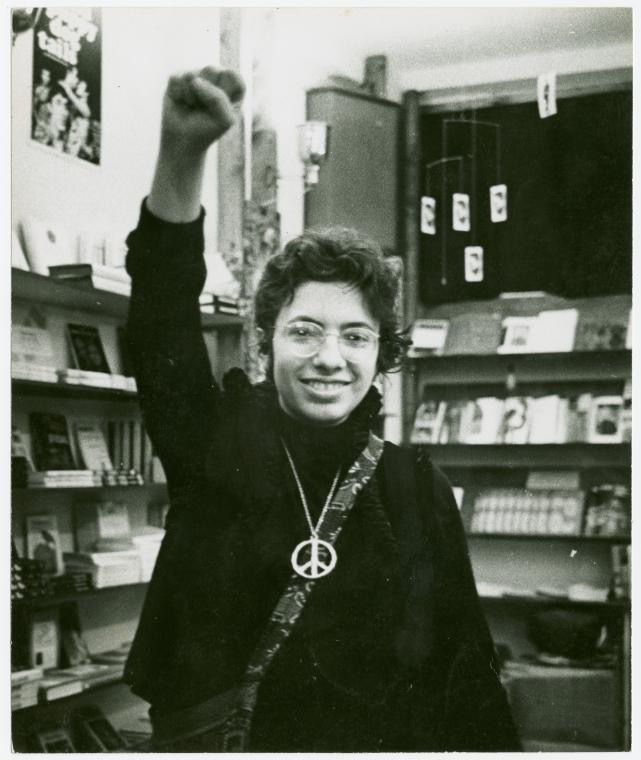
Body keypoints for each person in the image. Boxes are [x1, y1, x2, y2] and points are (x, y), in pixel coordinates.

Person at [123, 65, 521, 752]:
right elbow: (161, 319)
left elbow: (465, 674)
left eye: (355, 336)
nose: (330, 358)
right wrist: (182, 154)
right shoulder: (216, 442)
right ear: (267, 340)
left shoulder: (416, 489)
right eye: (305, 331)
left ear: (382, 353)